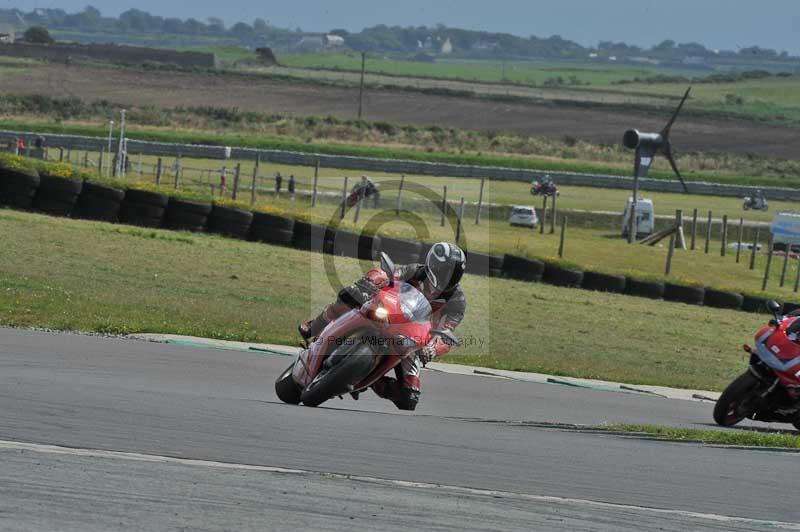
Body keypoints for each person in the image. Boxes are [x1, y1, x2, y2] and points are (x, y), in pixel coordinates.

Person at [298, 242, 467, 411]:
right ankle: (315, 325)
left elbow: (447, 332)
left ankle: (367, 378)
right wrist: (369, 285)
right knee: (350, 296)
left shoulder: (457, 300)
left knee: (408, 398)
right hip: (387, 313)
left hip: (411, 338)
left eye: (455, 274)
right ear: (433, 265)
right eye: (446, 272)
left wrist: (433, 349)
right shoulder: (415, 271)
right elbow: (389, 275)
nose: (448, 278)